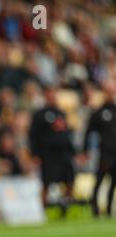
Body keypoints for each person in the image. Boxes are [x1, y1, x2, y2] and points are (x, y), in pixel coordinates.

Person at [29, 86, 76, 216]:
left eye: (54, 93)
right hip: (48, 155)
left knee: (69, 181)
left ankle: (65, 207)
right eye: (50, 93)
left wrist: (73, 152)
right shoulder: (39, 114)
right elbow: (33, 135)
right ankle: (42, 211)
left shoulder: (61, 113)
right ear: (45, 95)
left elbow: (67, 134)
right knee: (46, 183)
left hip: (64, 154)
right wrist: (35, 154)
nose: (52, 96)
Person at [81, 77, 116, 217]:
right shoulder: (99, 112)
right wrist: (85, 150)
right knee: (100, 181)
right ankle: (94, 209)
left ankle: (108, 210)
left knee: (113, 183)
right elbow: (88, 132)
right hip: (105, 154)